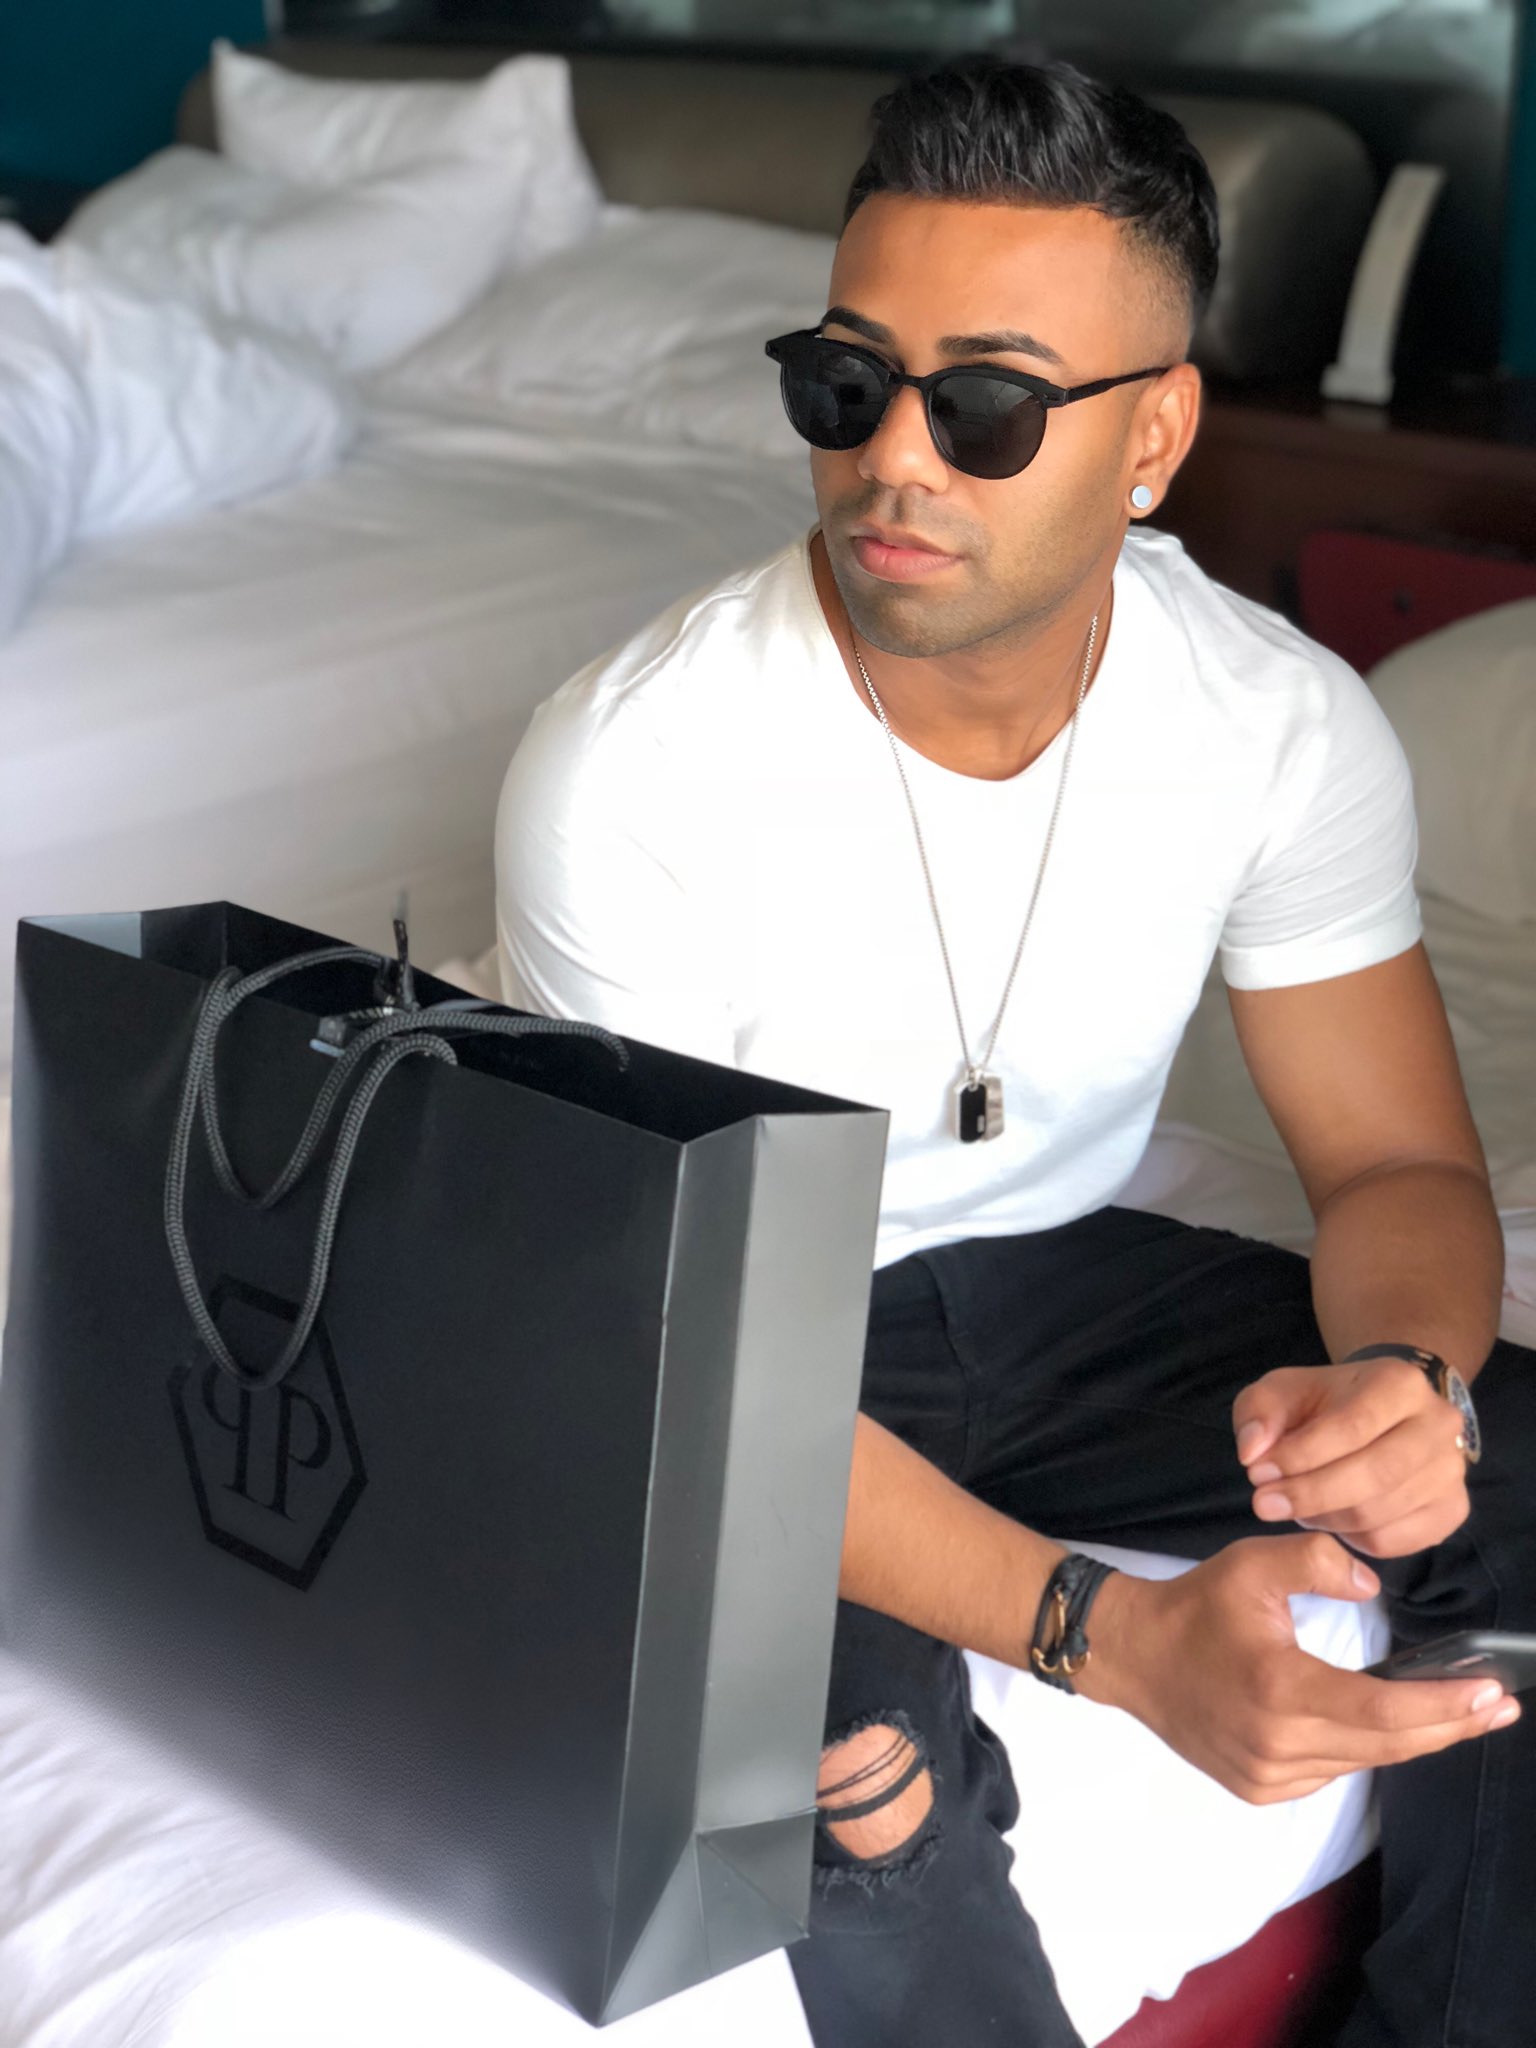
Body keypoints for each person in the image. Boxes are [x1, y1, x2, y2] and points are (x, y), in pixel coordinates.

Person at [494, 55, 1534, 2048]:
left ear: (1155, 437)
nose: (895, 460)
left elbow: (1398, 1166)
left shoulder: (1274, 722)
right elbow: (706, 1373)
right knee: (845, 1770)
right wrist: (1109, 1636)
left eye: (985, 406)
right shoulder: (633, 768)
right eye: (846, 384)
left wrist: (1407, 1388)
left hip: (1037, 1291)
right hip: (710, 1348)